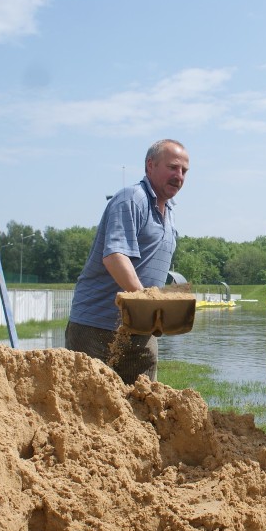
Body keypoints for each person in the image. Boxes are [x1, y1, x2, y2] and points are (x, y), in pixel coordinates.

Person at [65, 139, 189, 384]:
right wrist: (150, 305)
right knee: (91, 410)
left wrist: (156, 313)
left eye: (184, 171)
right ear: (150, 165)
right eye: (173, 167)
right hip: (97, 328)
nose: (179, 175)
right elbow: (114, 257)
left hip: (142, 328)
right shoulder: (132, 199)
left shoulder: (170, 213)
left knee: (142, 407)